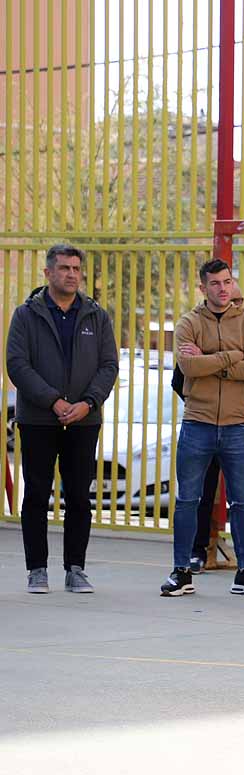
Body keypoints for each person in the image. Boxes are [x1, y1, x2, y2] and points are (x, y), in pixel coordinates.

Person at [6, 244, 117, 593]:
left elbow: (108, 365)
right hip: (39, 419)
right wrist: (52, 401)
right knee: (37, 494)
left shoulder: (96, 316)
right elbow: (17, 364)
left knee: (80, 498)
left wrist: (88, 402)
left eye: (76, 268)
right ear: (48, 273)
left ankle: (76, 569)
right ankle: (37, 569)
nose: (71, 274)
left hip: (84, 420)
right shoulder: (26, 315)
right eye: (64, 268)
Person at [160, 258, 244, 597]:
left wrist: (211, 360)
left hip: (238, 426)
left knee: (242, 502)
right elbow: (188, 364)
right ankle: (181, 571)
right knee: (188, 500)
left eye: (227, 282)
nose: (223, 289)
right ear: (203, 287)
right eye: (216, 283)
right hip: (198, 424)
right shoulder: (188, 323)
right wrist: (228, 357)